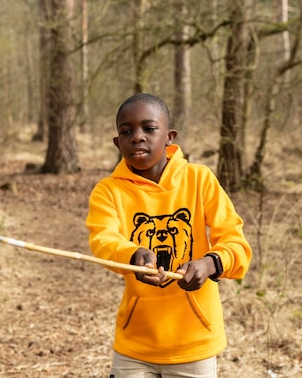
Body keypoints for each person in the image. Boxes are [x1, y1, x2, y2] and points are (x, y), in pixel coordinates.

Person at [86, 93, 252, 378]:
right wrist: (132, 254)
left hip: (194, 342)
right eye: (127, 131)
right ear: (118, 142)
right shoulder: (108, 191)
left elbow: (236, 243)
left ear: (169, 137)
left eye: (149, 129)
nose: (137, 137)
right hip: (135, 344)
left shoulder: (200, 180)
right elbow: (103, 240)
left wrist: (209, 263)